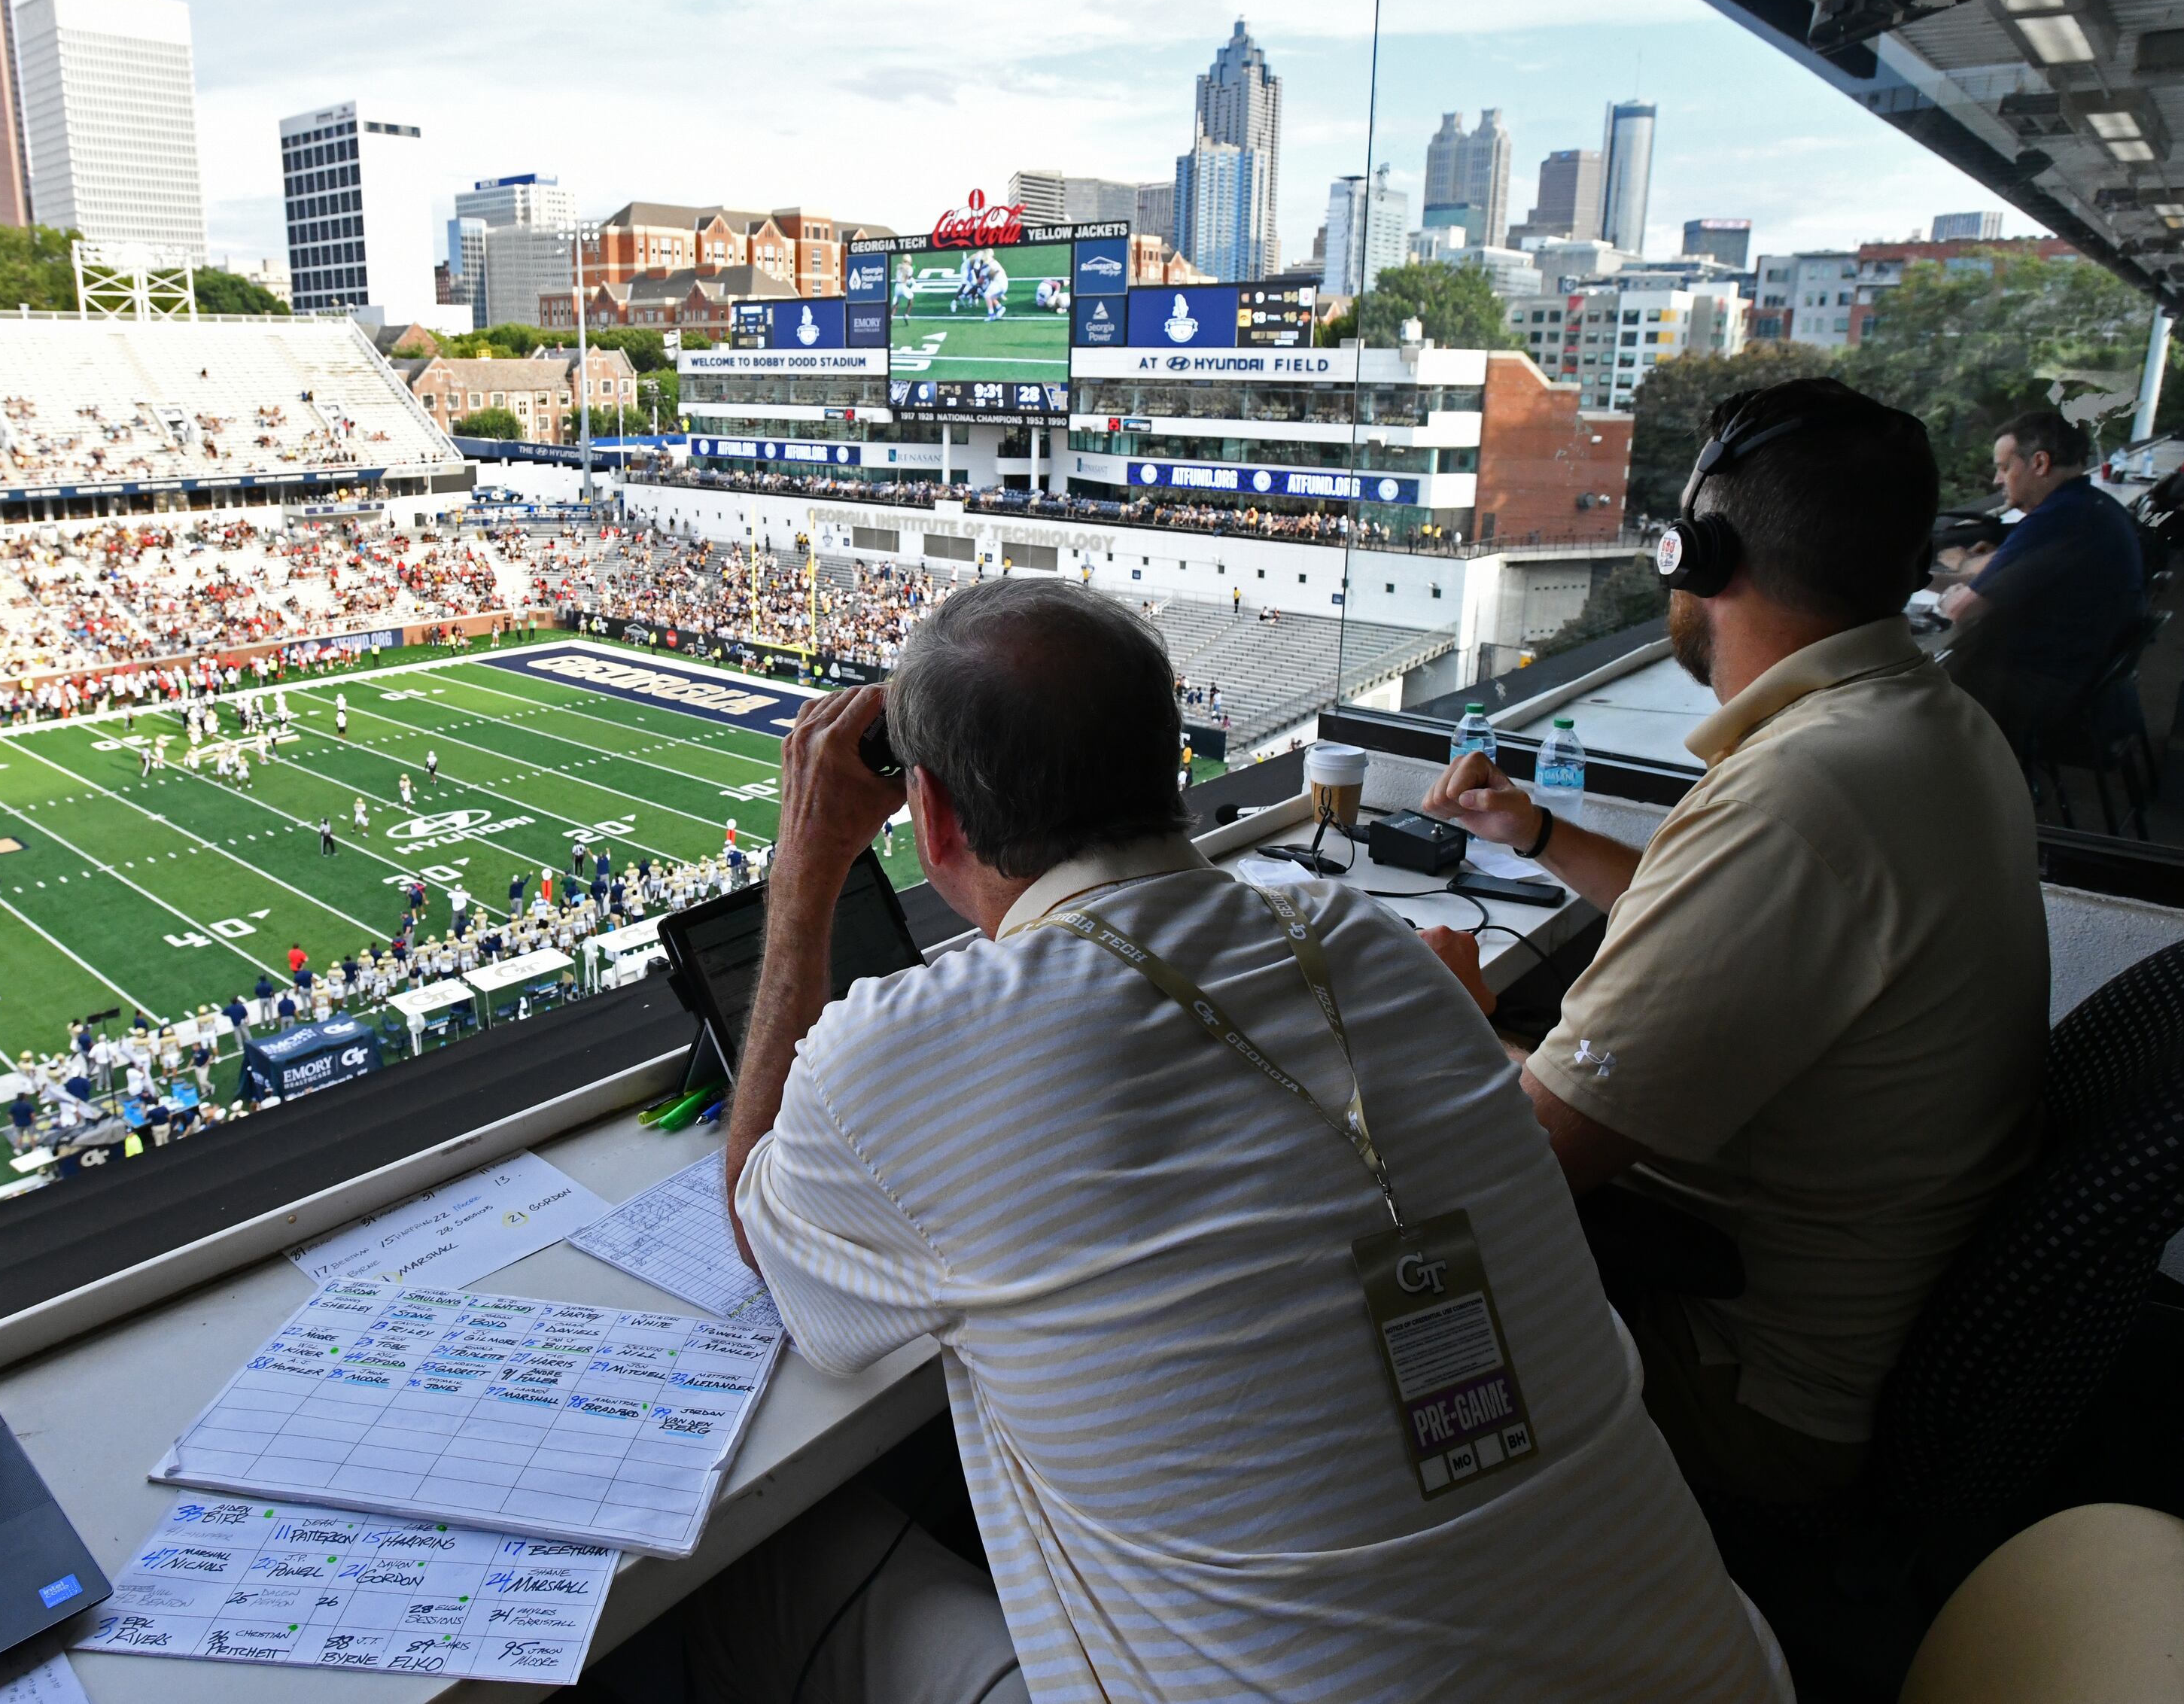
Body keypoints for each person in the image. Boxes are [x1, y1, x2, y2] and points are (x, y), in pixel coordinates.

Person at [717, 577, 1787, 1702]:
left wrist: (805, 872)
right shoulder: (1370, 942)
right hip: (1715, 1670)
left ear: (929, 815)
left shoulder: (905, 1053)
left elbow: (758, 1211)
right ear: (1174, 764)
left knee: (772, 1570)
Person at [1422, 378, 2047, 1506]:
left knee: (1319, 1292)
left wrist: (1441, 1018)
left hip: (1736, 1388)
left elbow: (1520, 1160)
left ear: (1693, 553)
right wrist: (1541, 833)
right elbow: (1730, 920)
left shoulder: (1801, 793)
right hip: (1828, 1303)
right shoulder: (1917, 721)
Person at [1940, 409, 2146, 744]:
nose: (1996, 480)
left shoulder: (2058, 519)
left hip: (2048, 690)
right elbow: (2006, 571)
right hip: (2087, 679)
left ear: (2039, 464)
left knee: (1919, 690)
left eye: (2004, 467)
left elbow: (1962, 610)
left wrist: (1952, 593)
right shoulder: (2092, 506)